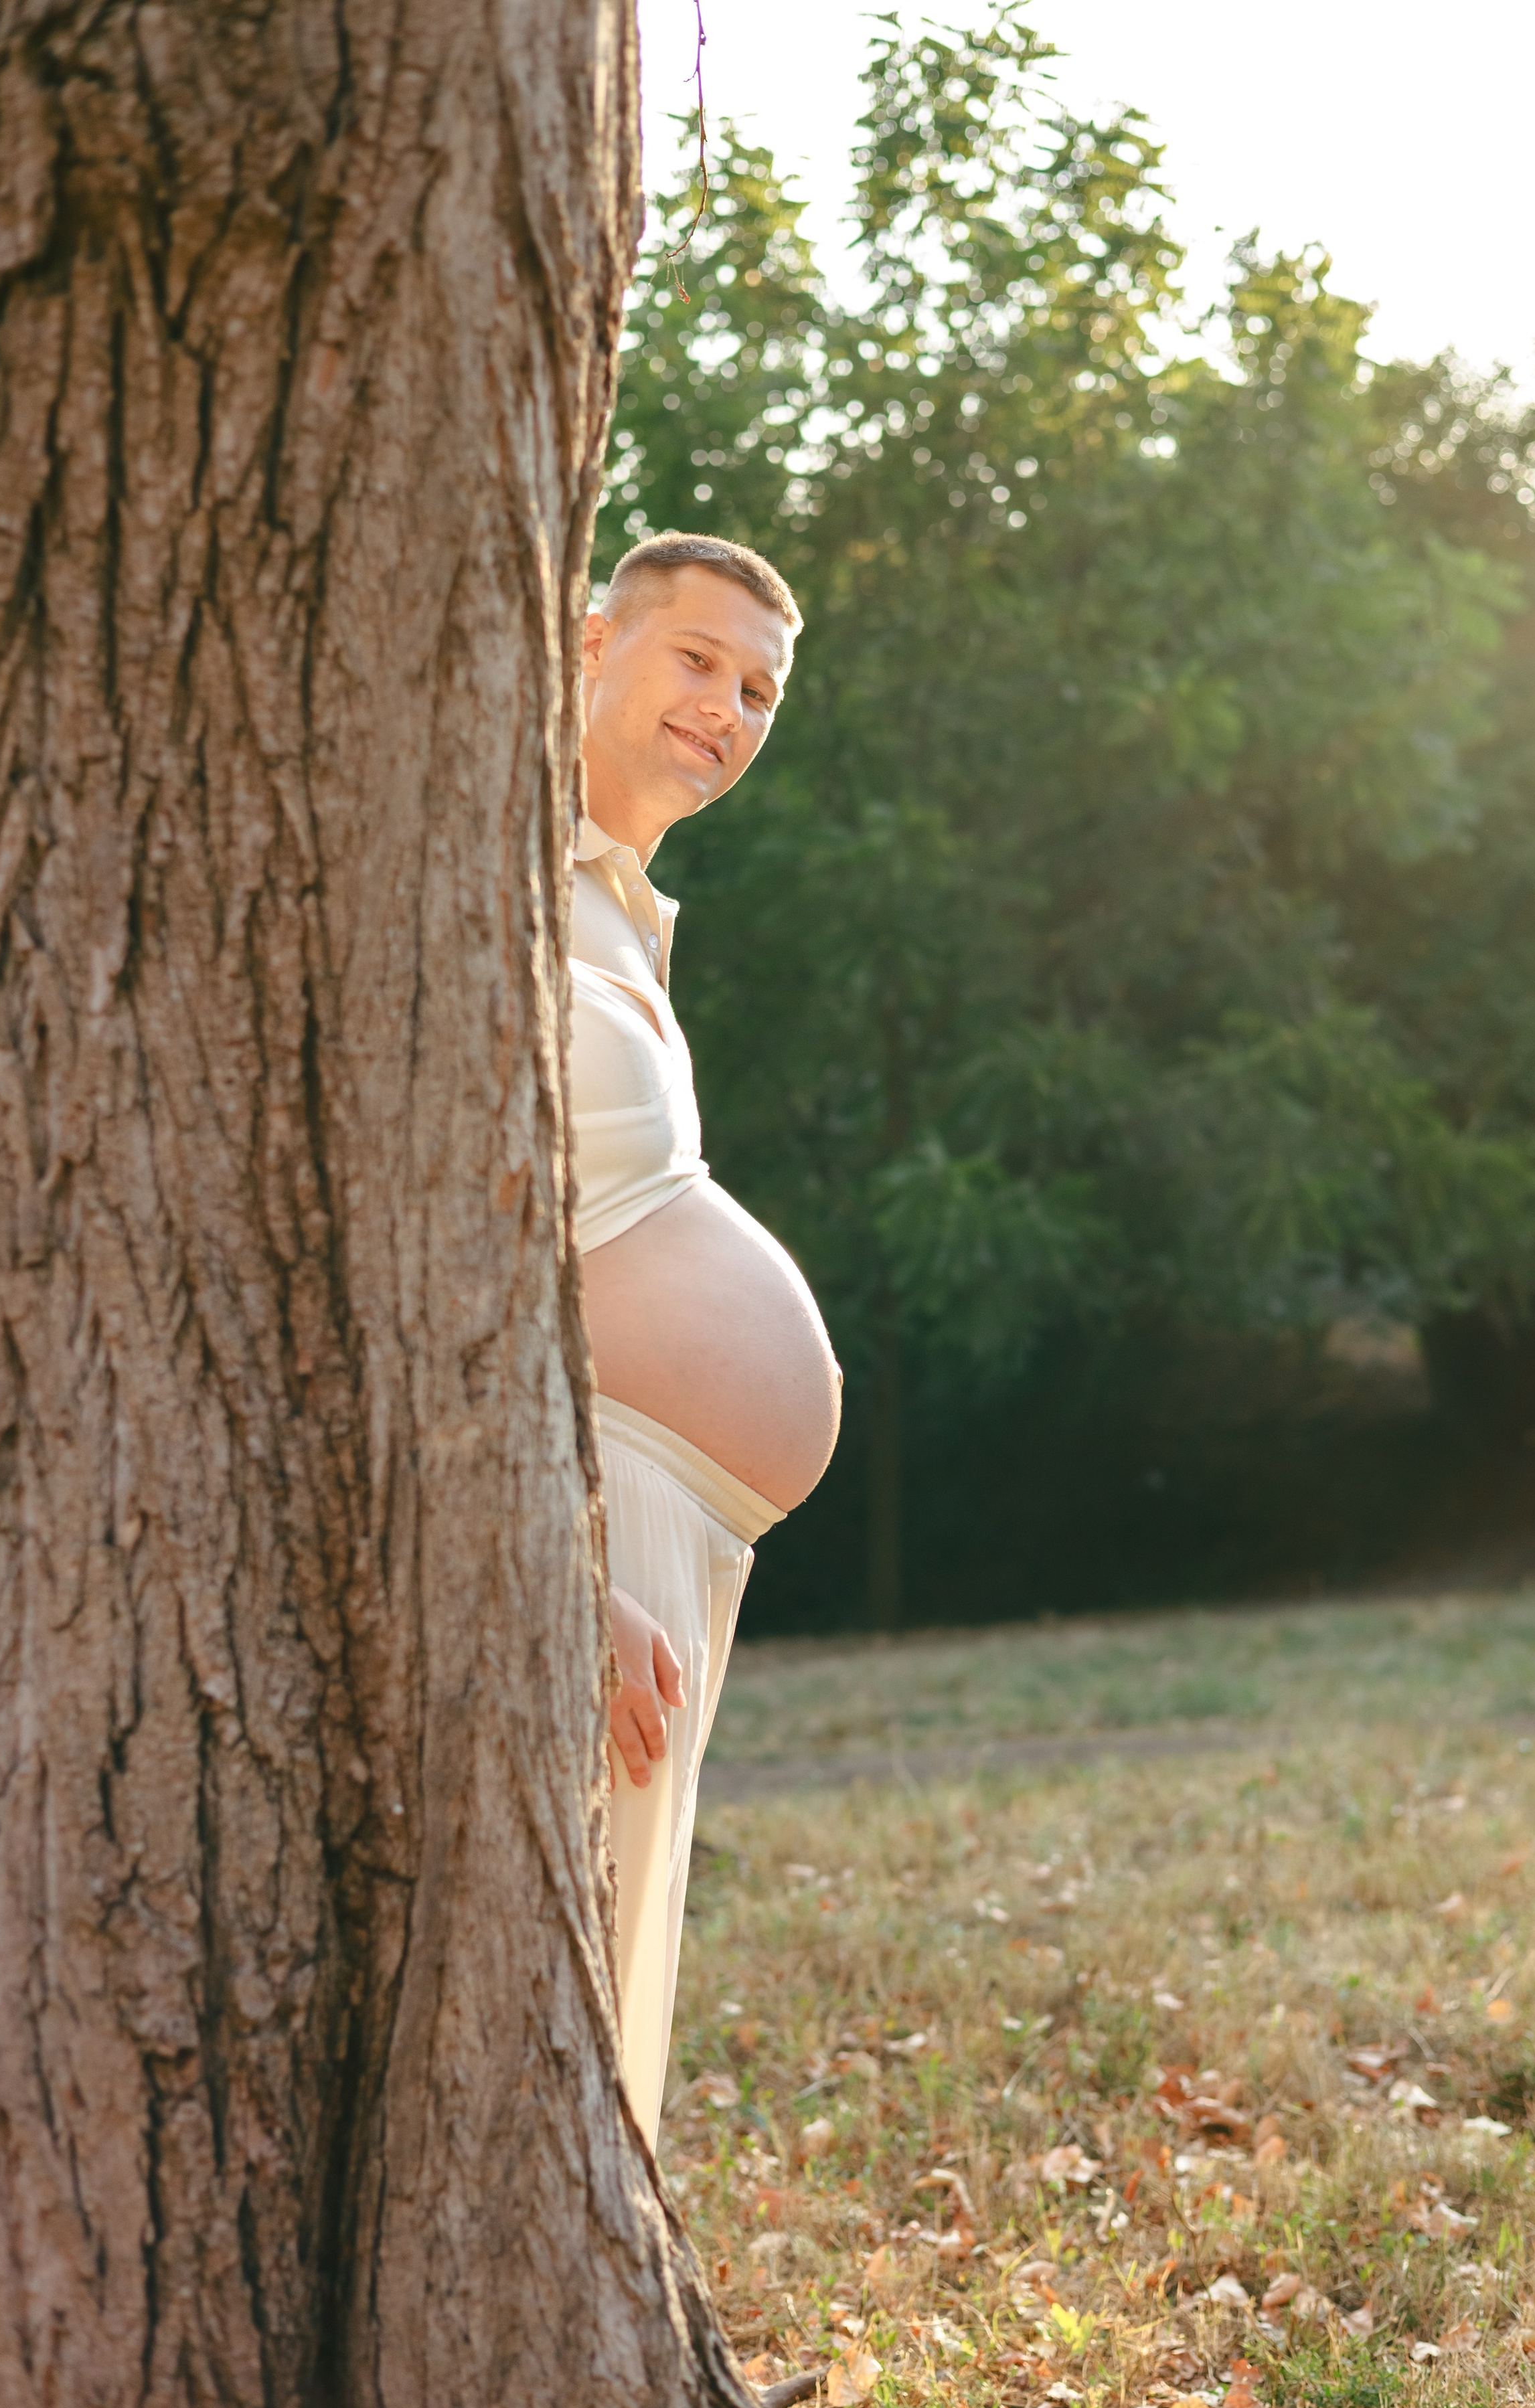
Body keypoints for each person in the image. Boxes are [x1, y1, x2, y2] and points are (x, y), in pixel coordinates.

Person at [570, 531, 841, 2146]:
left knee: (614, 1981)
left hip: (678, 1518)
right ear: (591, 638)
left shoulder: (620, 910)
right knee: (560, 1974)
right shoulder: (498, 881)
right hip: (589, 1503)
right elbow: (461, 1243)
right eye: (693, 658)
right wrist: (563, 1545)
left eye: (757, 689)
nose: (726, 709)